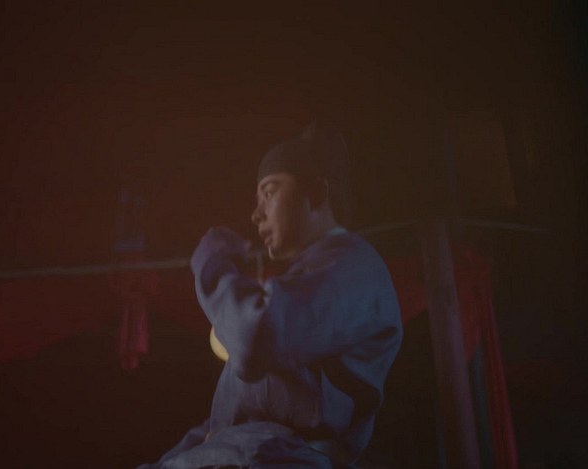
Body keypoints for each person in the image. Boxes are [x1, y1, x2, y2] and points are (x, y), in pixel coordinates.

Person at [140, 123, 402, 468]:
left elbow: (254, 336)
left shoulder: (354, 268)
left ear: (316, 194)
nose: (256, 214)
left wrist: (213, 265)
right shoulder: (303, 284)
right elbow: (226, 426)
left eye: (269, 193)